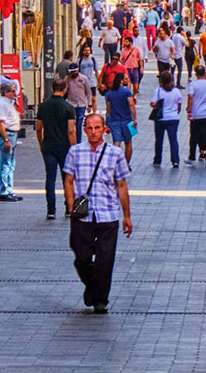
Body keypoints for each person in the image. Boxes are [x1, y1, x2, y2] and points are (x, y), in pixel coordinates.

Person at [62, 113, 132, 314]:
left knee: (105, 260)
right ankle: (93, 287)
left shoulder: (115, 154)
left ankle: (100, 299)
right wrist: (70, 206)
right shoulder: (75, 152)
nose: (93, 132)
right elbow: (68, 180)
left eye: (97, 128)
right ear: (84, 130)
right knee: (81, 257)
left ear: (104, 129)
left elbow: (121, 184)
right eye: (90, 128)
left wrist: (126, 215)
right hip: (83, 214)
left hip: (108, 214)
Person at [37, 77, 77, 219]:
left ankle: (51, 210)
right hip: (65, 147)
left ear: (52, 89)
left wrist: (41, 144)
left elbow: (39, 128)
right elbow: (71, 130)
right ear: (65, 90)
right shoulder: (68, 107)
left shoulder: (43, 106)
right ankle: (68, 206)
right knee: (67, 178)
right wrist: (74, 148)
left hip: (49, 146)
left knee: (50, 178)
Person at [0, 81, 22, 202]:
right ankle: (3, 191)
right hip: (8, 134)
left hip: (13, 134)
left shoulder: (10, 103)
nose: (14, 93)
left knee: (11, 164)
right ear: (6, 92)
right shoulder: (1, 104)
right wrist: (5, 138)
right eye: (12, 90)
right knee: (5, 164)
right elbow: (1, 123)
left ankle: (10, 190)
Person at [150, 69, 182, 168]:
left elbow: (153, 103)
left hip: (161, 118)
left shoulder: (158, 90)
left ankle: (158, 159)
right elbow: (179, 105)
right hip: (173, 118)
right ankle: (175, 160)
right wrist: (175, 112)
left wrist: (155, 104)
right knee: (173, 140)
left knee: (159, 140)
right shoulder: (176, 91)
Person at [103, 73, 137, 167]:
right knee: (128, 142)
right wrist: (135, 118)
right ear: (121, 80)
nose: (128, 80)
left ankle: (114, 164)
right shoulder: (127, 92)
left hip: (114, 120)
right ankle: (126, 165)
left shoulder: (110, 93)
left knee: (116, 142)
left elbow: (108, 109)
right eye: (126, 78)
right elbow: (131, 105)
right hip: (127, 120)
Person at [65, 62, 95, 137]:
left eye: (74, 71)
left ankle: (78, 141)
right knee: (71, 123)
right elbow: (65, 91)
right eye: (71, 72)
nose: (73, 73)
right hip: (71, 104)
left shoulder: (84, 78)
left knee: (79, 124)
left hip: (81, 104)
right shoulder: (67, 79)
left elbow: (88, 92)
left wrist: (89, 104)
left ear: (78, 70)